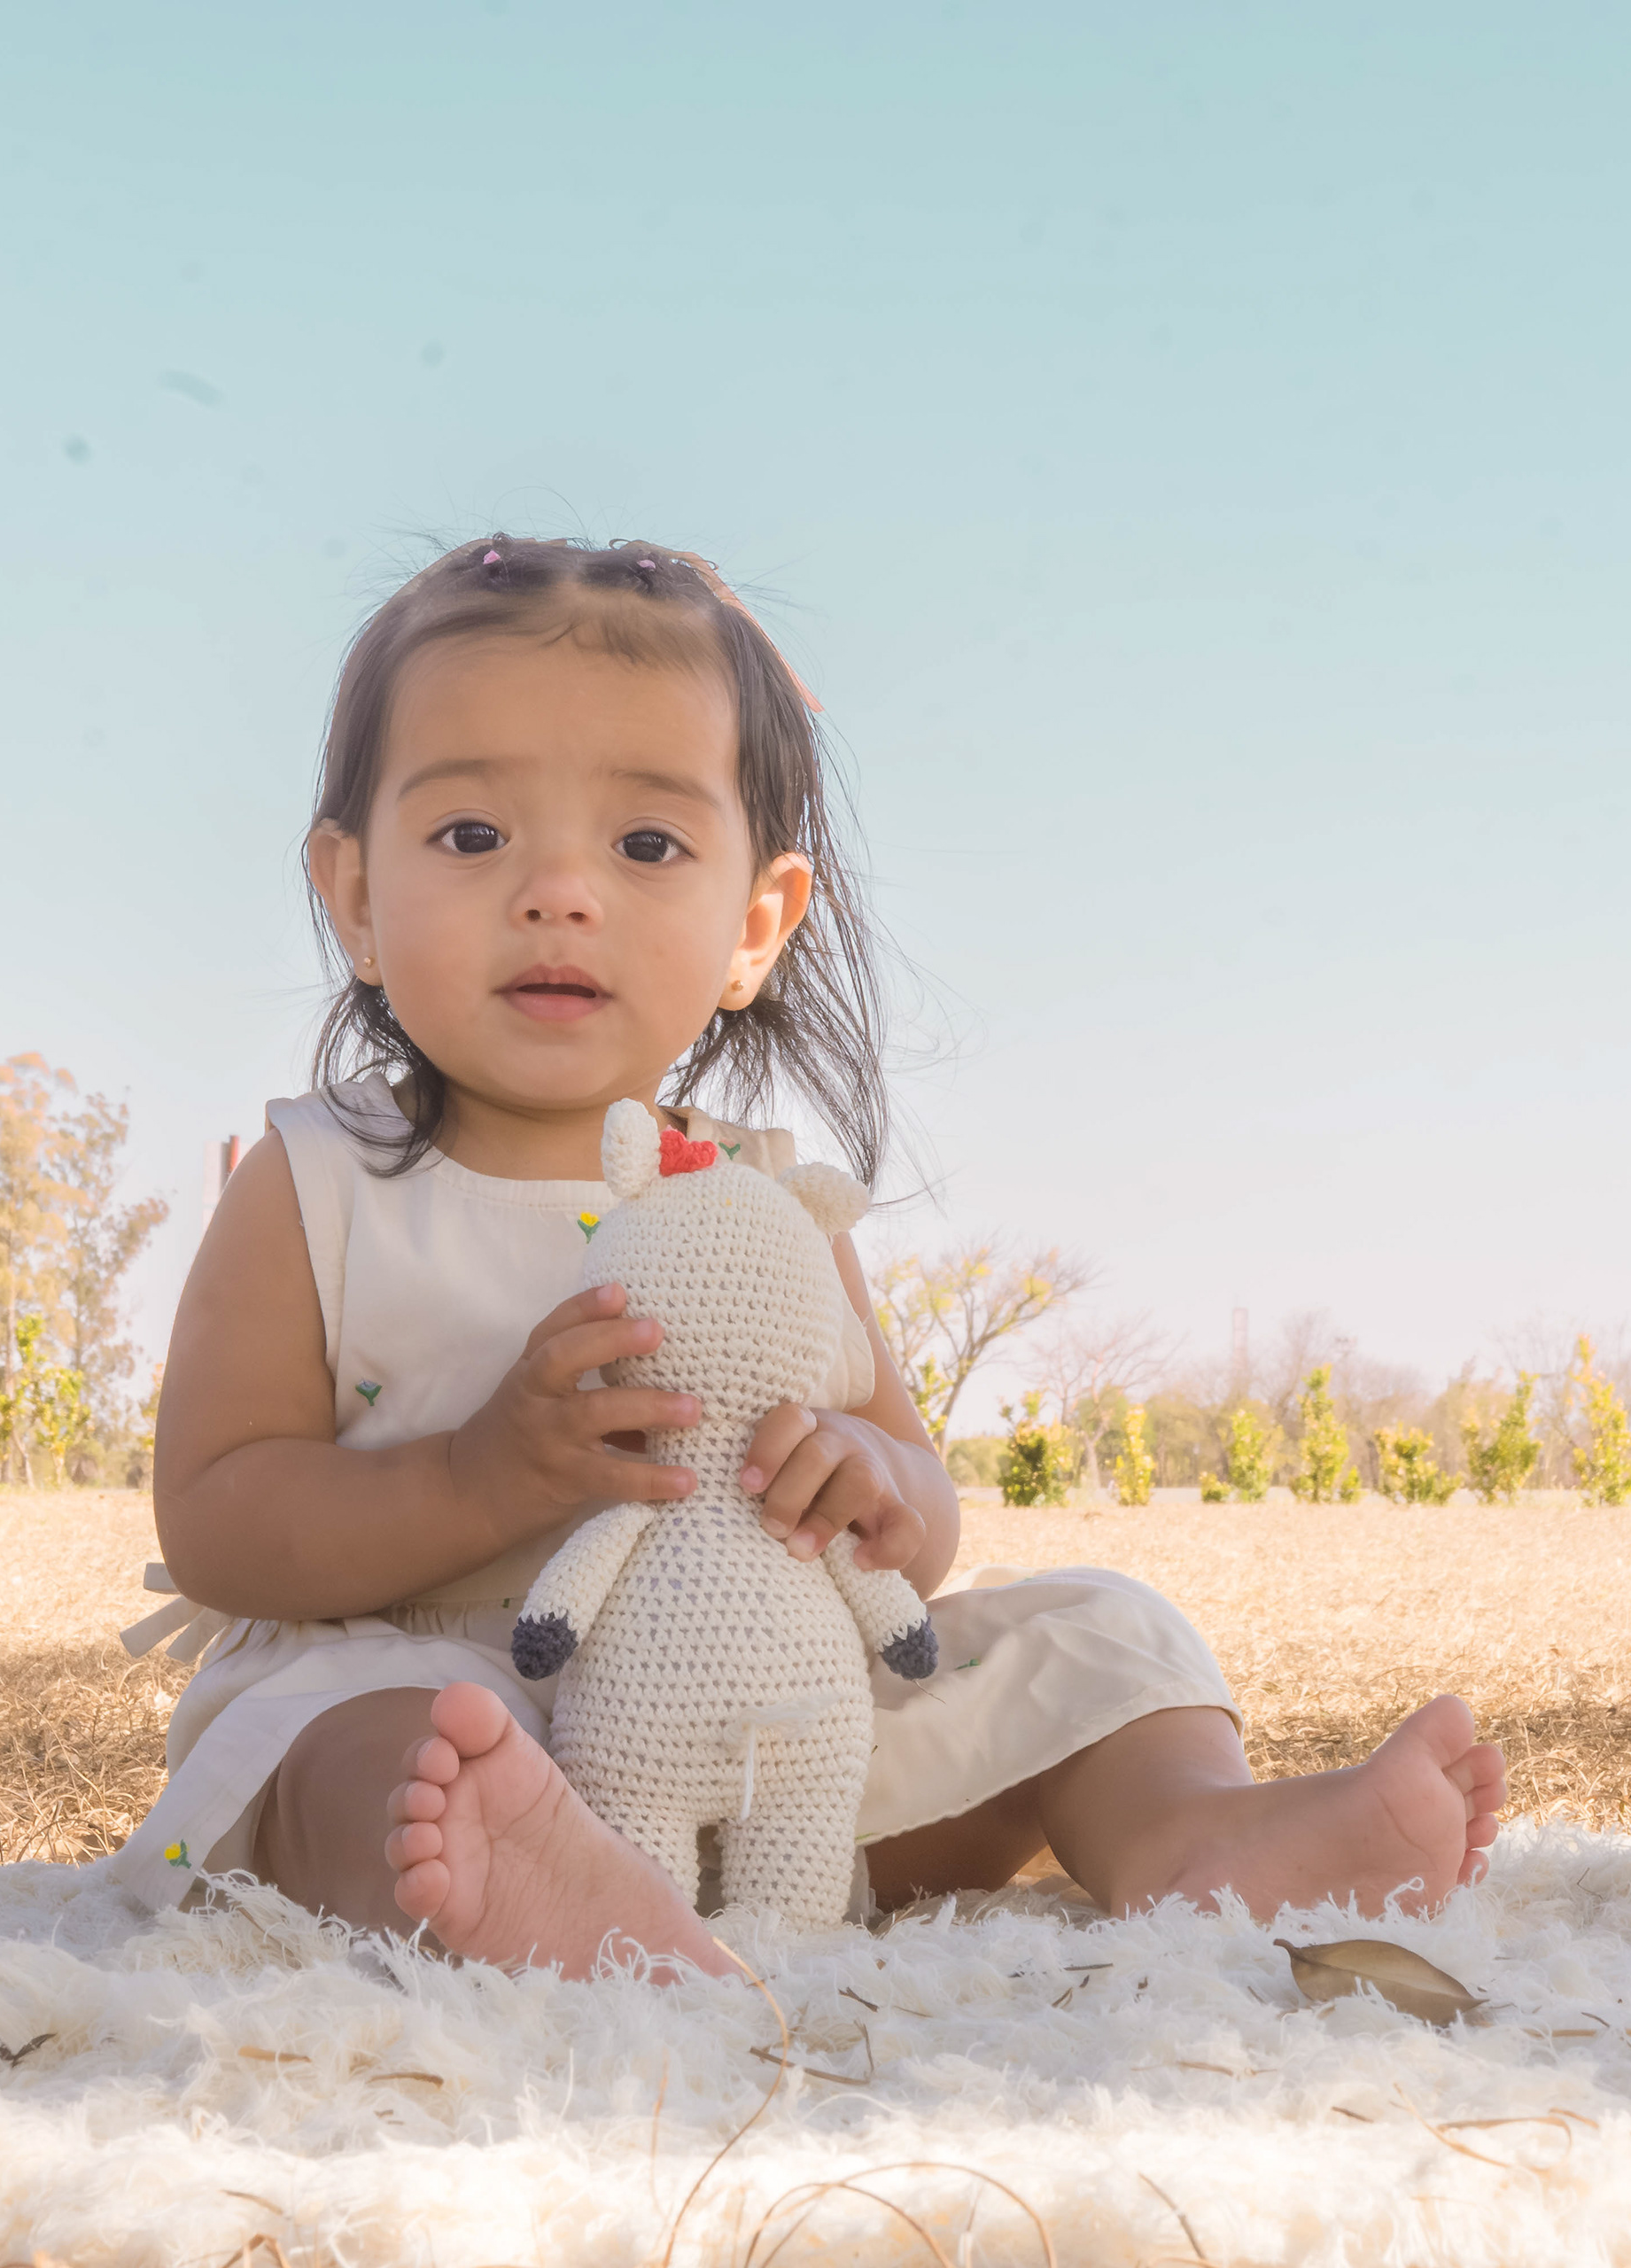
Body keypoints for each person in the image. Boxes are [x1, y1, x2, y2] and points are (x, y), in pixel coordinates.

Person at [120, 535, 1503, 1978]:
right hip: (448, 1686)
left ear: (755, 927)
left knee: (1102, 1629)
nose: (559, 892)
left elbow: (923, 1502)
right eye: (472, 835)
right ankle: (530, 1884)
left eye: (646, 846)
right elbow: (220, 1515)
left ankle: (1193, 1837)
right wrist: (480, 1479)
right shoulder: (320, 1182)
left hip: (768, 1719)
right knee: (378, 1750)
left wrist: (869, 1485)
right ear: (351, 895)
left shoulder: (768, 1205)